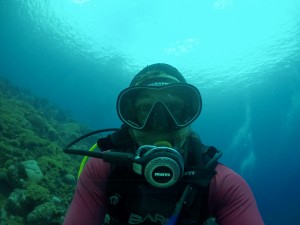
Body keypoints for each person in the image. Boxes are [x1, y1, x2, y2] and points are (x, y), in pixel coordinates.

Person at [63, 63, 265, 225]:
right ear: (130, 120)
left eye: (174, 107)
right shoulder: (103, 170)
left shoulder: (224, 185)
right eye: (145, 108)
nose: (159, 124)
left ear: (189, 117)